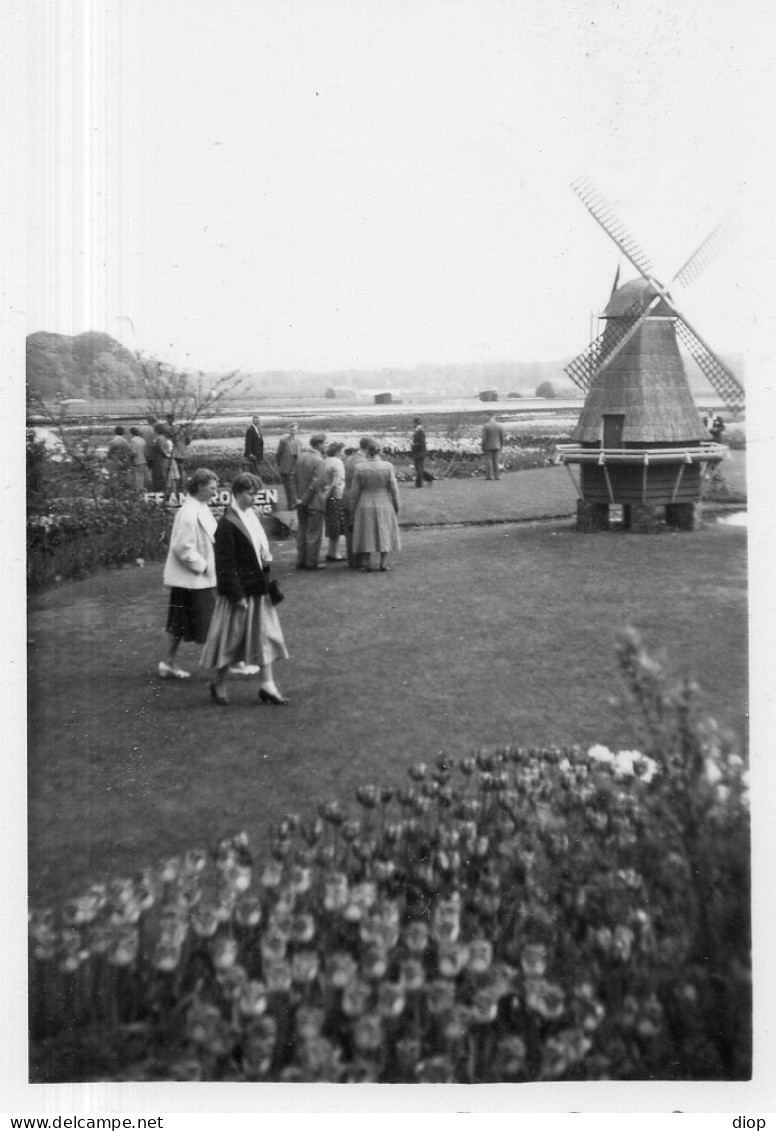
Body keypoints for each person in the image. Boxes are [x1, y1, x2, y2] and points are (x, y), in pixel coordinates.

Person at [200, 472, 289, 706]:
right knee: (231, 640)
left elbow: (258, 546)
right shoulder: (227, 525)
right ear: (237, 493)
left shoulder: (251, 516)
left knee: (264, 636)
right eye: (250, 493)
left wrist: (264, 555)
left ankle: (267, 685)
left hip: (258, 589)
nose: (254, 498)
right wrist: (237, 595)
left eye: (256, 494)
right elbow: (225, 566)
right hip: (238, 593)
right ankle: (219, 682)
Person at [158, 468, 219, 679]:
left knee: (180, 622)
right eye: (212, 488)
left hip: (198, 579)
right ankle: (231, 663)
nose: (215, 492)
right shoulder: (189, 513)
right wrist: (203, 566)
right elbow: (182, 547)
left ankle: (167, 663)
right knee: (209, 621)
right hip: (193, 579)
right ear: (200, 486)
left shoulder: (200, 508)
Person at [351, 437, 401, 572]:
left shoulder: (360, 467)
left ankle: (367, 563)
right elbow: (394, 489)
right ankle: (383, 563)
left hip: (365, 502)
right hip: (384, 501)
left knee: (367, 532)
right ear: (379, 452)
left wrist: (352, 507)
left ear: (367, 452)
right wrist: (397, 505)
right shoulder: (388, 466)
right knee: (384, 531)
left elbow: (355, 491)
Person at [294, 433, 328, 570]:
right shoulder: (319, 461)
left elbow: (293, 478)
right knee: (313, 533)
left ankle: (300, 560)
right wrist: (305, 500)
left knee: (302, 532)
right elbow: (317, 483)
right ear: (319, 444)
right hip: (313, 502)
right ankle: (311, 562)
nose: (326, 445)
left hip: (301, 500)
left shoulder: (301, 457)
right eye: (325, 443)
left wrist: (299, 499)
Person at [342, 437, 369, 569]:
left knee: (350, 530)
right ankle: (359, 561)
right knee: (359, 529)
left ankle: (352, 559)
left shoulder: (350, 458)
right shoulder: (362, 461)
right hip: (356, 498)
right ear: (368, 448)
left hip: (346, 496)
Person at [323, 441, 347, 562]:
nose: (343, 454)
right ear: (337, 452)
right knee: (336, 525)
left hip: (328, 496)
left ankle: (331, 551)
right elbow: (336, 481)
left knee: (332, 524)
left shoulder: (326, 460)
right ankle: (334, 553)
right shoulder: (338, 462)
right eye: (342, 451)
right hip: (336, 495)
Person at [275, 422, 301, 509]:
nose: (293, 431)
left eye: (295, 430)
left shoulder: (299, 442)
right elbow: (278, 454)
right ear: (289, 430)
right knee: (288, 486)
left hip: (295, 467)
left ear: (297, 431)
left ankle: (293, 503)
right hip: (285, 467)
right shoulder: (283, 441)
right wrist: (279, 465)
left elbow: (299, 456)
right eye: (292, 429)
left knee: (293, 486)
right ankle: (291, 504)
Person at [481, 413, 507, 481]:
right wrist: (502, 445)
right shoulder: (500, 425)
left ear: (488, 417)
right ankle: (497, 476)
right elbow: (502, 437)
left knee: (488, 461)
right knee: (496, 461)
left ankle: (489, 476)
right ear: (494, 417)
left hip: (488, 446)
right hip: (497, 446)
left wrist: (482, 446)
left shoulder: (486, 426)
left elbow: (484, 438)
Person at [410, 416, 434, 487]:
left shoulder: (420, 431)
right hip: (419, 452)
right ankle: (429, 478)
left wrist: (414, 444)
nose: (412, 425)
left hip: (420, 453)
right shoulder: (418, 430)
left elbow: (422, 443)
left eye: (413, 423)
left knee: (419, 468)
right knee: (419, 468)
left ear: (416, 423)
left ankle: (419, 484)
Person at [151, 423, 173, 493]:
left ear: (157, 430)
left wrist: (166, 456)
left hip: (160, 460)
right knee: (164, 476)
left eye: (154, 429)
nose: (153, 430)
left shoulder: (159, 438)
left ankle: (164, 493)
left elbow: (162, 450)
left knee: (162, 476)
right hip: (162, 460)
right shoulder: (163, 438)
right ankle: (166, 491)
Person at [128, 426, 148, 490]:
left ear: (131, 433)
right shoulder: (142, 440)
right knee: (142, 478)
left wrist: (128, 455)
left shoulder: (133, 440)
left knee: (137, 479)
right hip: (143, 460)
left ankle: (138, 494)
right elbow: (144, 451)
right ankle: (142, 492)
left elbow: (134, 452)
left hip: (137, 461)